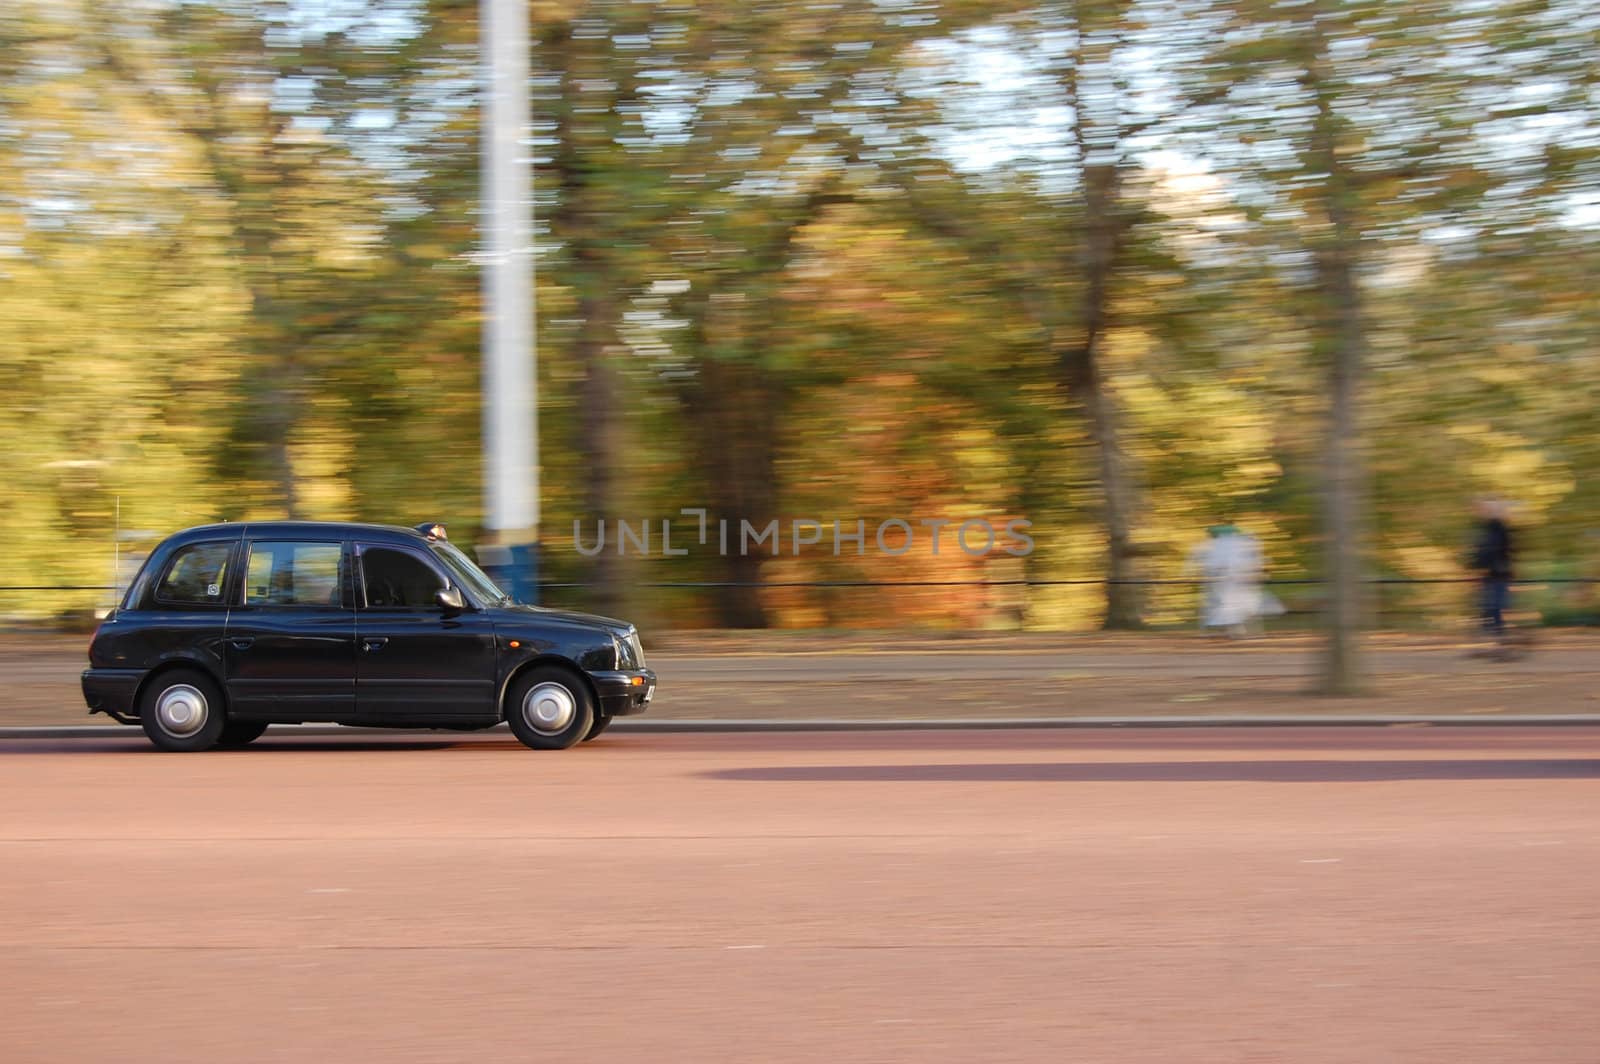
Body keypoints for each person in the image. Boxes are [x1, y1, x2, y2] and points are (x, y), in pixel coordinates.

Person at [1190, 522, 1282, 637]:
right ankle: (1240, 630)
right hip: (1233, 583)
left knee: (1233, 605)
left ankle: (1237, 630)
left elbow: (1213, 565)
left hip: (1233, 583)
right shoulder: (1234, 545)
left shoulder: (1219, 547)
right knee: (1235, 606)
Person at [1469, 496, 1514, 647]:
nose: (1489, 511)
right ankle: (1493, 640)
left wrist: (1504, 567)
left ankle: (1499, 641)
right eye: (1487, 508)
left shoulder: (1501, 529)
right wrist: (1475, 567)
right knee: (1487, 608)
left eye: (1493, 508)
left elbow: (1503, 550)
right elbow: (1481, 550)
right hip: (1487, 574)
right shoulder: (1484, 528)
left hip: (1499, 574)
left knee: (1495, 608)